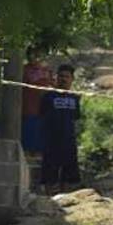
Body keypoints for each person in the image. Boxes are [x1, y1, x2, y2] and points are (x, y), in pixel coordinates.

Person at [41, 64, 81, 193]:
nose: (63, 79)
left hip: (69, 139)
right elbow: (41, 115)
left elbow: (76, 118)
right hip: (51, 139)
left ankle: (66, 195)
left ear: (72, 79)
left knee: (69, 170)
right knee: (50, 169)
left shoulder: (74, 98)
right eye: (61, 76)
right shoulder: (48, 96)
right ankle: (49, 195)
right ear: (56, 78)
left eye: (67, 77)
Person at [21, 51, 53, 156]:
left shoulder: (46, 71)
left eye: (35, 54)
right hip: (28, 109)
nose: (32, 57)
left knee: (41, 141)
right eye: (30, 54)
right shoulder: (24, 70)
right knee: (28, 137)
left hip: (44, 111)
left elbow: (52, 86)